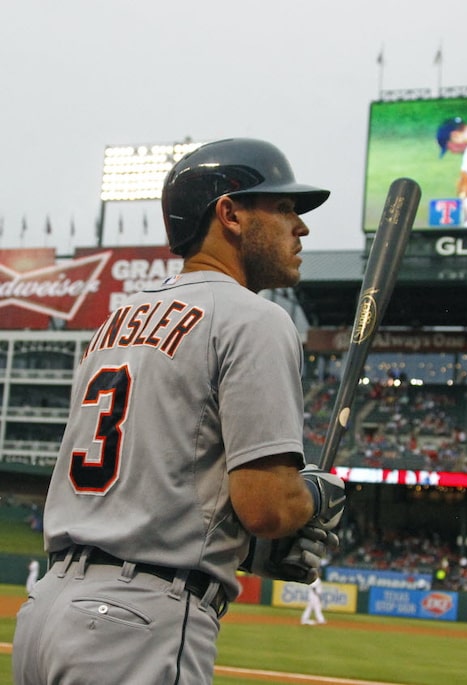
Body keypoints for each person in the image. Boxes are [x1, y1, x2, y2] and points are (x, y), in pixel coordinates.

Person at [12, 138, 346, 685]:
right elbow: (265, 505)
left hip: (46, 612)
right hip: (138, 626)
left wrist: (247, 549)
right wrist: (313, 494)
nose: (300, 227)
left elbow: (158, 490)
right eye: (284, 208)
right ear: (230, 214)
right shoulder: (253, 319)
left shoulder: (114, 324)